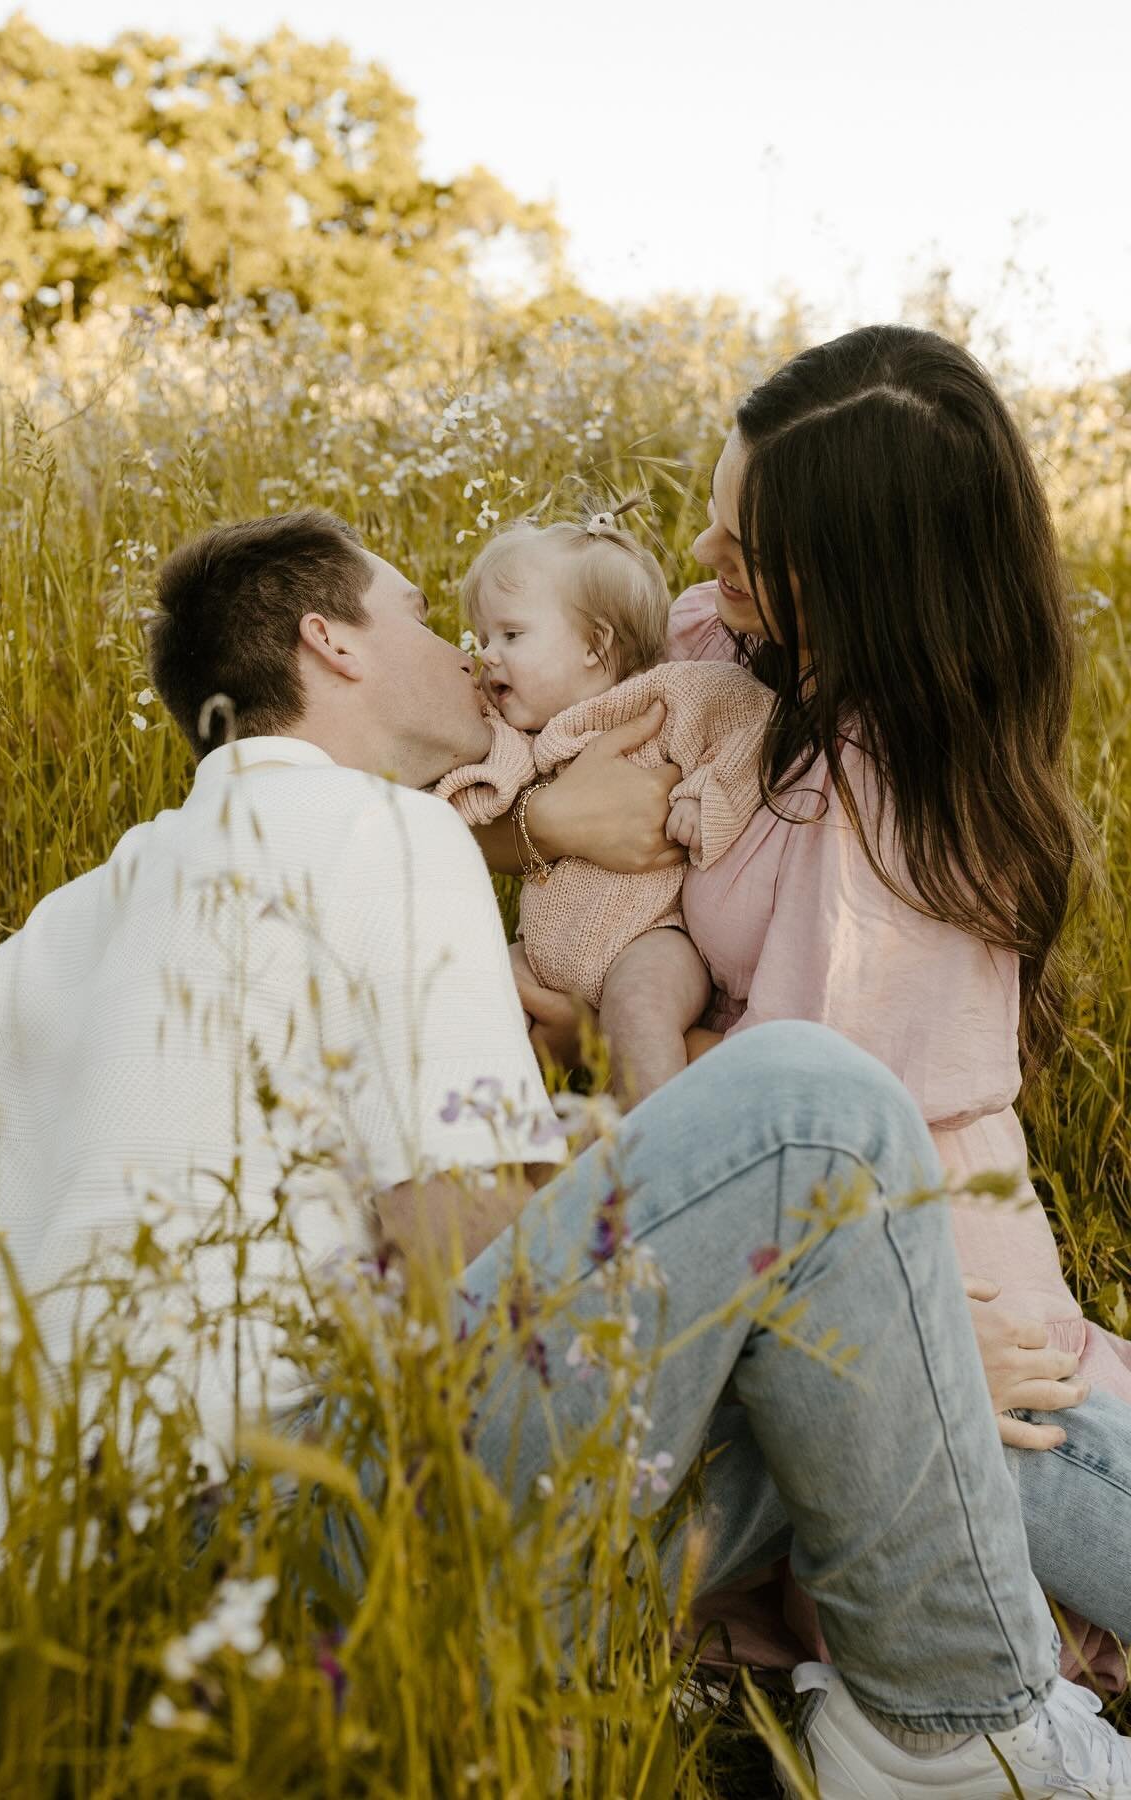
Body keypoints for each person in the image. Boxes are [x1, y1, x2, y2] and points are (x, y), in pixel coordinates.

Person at [0, 510, 1130, 1796]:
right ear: (332, 642)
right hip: (315, 1539)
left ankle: (944, 1721)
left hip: (87, 1555)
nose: (464, 654)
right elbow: (456, 1246)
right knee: (812, 1113)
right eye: (418, 614)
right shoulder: (385, 836)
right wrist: (841, 1313)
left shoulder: (112, 888)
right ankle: (957, 1732)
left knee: (878, 1364)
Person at [506, 325, 1131, 1687]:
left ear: (862, 576)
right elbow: (580, 846)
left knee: (1007, 1439)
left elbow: (809, 1149)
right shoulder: (731, 652)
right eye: (720, 522)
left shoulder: (898, 835)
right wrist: (557, 835)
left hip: (900, 1215)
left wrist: (643, 1058)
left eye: (745, 547)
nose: (706, 561)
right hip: (738, 1169)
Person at [434, 501, 772, 1098]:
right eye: (485, 637)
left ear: (596, 644)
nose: (488, 654)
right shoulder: (516, 732)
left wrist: (704, 794)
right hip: (544, 951)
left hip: (652, 937)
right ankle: (502, 1151)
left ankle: (653, 1139)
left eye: (511, 635)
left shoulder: (668, 694)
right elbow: (472, 796)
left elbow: (757, 725)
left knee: (640, 1009)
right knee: (465, 993)